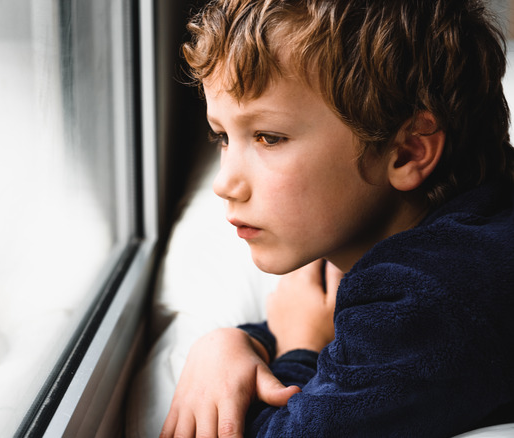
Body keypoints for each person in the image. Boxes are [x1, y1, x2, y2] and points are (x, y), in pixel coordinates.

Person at [160, 0, 514, 436]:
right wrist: (233, 342)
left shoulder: (431, 294)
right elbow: (327, 323)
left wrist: (299, 349)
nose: (225, 183)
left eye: (269, 137)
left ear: (407, 151)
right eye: (223, 136)